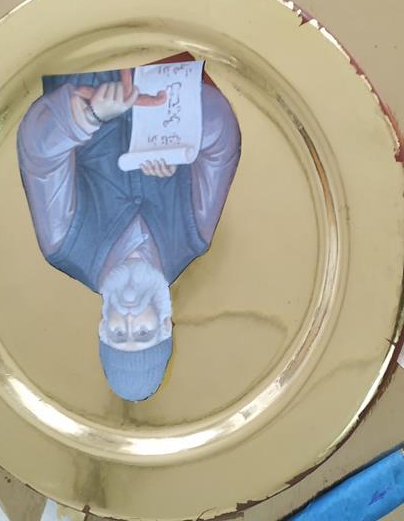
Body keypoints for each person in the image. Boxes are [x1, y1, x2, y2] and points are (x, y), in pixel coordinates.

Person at [17, 67, 240, 401]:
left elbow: (38, 154)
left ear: (102, 327)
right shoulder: (194, 236)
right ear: (164, 324)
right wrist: (180, 139)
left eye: (120, 334)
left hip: (81, 60)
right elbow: (223, 140)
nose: (131, 318)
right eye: (144, 332)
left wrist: (89, 115)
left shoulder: (64, 245)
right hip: (165, 55)